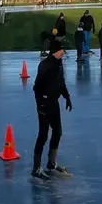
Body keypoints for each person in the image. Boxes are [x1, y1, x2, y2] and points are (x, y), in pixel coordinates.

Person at [32, 37, 73, 179]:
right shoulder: (45, 65)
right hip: (44, 104)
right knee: (43, 135)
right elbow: (36, 87)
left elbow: (61, 82)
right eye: (62, 50)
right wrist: (41, 104)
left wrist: (67, 97)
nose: (63, 52)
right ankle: (36, 168)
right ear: (56, 50)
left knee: (57, 132)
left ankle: (51, 163)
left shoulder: (59, 63)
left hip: (54, 103)